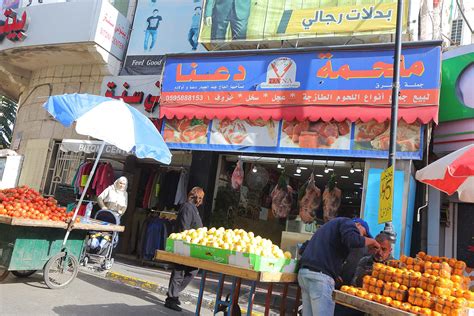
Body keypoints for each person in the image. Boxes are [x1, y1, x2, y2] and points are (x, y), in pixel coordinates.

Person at [298, 217, 380, 316]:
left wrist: (333, 272)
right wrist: (373, 242)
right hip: (319, 278)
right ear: (358, 225)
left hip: (305, 275)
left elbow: (303, 248)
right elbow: (353, 240)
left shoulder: (328, 228)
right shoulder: (347, 222)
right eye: (364, 233)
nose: (362, 236)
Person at [165, 187, 205, 312]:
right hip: (184, 244)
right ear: (198, 198)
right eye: (201, 198)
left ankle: (174, 294)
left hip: (191, 245)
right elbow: (184, 226)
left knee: (193, 270)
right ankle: (171, 298)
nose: (201, 201)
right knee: (179, 271)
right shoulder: (188, 207)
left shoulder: (193, 208)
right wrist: (187, 242)